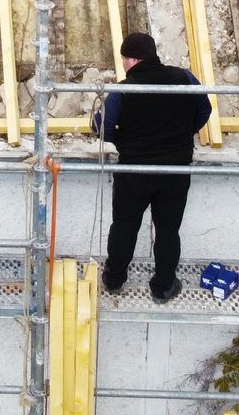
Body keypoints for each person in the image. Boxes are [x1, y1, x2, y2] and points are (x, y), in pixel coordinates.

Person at [93, 32, 210, 301]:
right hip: (175, 171)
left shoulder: (124, 89)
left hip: (134, 171)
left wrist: (122, 139)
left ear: (133, 59)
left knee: (124, 226)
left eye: (124, 59)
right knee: (168, 230)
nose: (123, 64)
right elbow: (205, 110)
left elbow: (101, 127)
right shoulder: (185, 78)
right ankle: (163, 286)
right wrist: (183, 134)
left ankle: (114, 279)